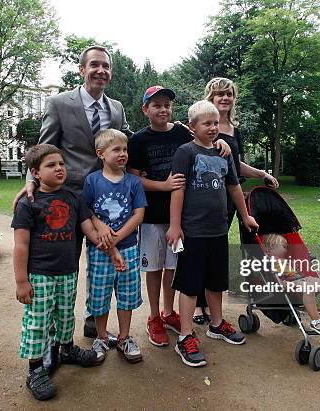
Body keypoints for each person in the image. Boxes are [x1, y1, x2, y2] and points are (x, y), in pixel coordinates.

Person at [12, 45, 131, 339]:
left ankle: (94, 315)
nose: (101, 70)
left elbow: (128, 140)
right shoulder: (59, 103)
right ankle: (56, 327)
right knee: (66, 261)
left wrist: (175, 128)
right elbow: (45, 146)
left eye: (106, 66)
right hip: (68, 197)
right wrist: (31, 180)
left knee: (101, 258)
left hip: (105, 198)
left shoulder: (116, 108)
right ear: (82, 69)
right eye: (95, 65)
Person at [12, 144, 122, 401]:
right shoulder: (29, 204)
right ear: (35, 172)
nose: (59, 168)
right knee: (38, 322)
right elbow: (21, 244)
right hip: (39, 275)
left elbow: (90, 231)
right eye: (51, 165)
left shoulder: (73, 198)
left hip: (68, 272)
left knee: (64, 315)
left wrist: (111, 250)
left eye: (61, 164)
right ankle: (35, 370)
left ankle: (67, 350)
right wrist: (21, 281)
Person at [127, 86, 231, 347]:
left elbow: (204, 139)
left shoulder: (181, 132)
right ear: (145, 110)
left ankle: (169, 311)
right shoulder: (139, 140)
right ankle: (154, 316)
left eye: (166, 105)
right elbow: (133, 178)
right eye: (156, 105)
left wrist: (219, 142)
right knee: (154, 267)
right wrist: (163, 185)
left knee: (174, 267)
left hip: (182, 218)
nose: (163, 109)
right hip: (152, 214)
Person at [166, 100, 259, 367]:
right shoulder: (185, 152)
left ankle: (216, 325)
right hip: (193, 231)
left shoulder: (224, 153)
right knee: (189, 283)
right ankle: (185, 336)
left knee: (216, 281)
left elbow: (233, 187)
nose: (213, 127)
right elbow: (178, 189)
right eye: (207, 123)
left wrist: (245, 215)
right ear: (192, 126)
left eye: (216, 122)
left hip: (219, 228)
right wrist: (175, 225)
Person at [192, 77, 280, 324]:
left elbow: (236, 166)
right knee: (201, 248)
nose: (225, 98)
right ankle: (197, 304)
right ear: (210, 97)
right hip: (204, 196)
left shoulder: (234, 130)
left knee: (216, 249)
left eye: (229, 94)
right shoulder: (203, 125)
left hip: (229, 198)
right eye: (219, 94)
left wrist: (262, 174)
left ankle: (210, 304)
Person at [82, 129, 147, 364]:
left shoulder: (133, 182)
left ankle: (124, 337)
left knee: (127, 294)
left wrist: (116, 239)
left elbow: (138, 214)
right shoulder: (92, 181)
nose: (123, 154)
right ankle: (101, 336)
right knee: (99, 294)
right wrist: (102, 232)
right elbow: (86, 211)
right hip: (99, 250)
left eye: (125, 149)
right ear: (100, 153)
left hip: (128, 247)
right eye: (116, 149)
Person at [262, 233, 320, 335]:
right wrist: (283, 284)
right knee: (309, 288)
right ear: (270, 249)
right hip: (289, 284)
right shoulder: (269, 262)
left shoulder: (286, 260)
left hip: (301, 279)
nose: (287, 248)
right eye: (283, 246)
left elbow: (297, 273)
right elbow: (272, 279)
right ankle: (316, 321)